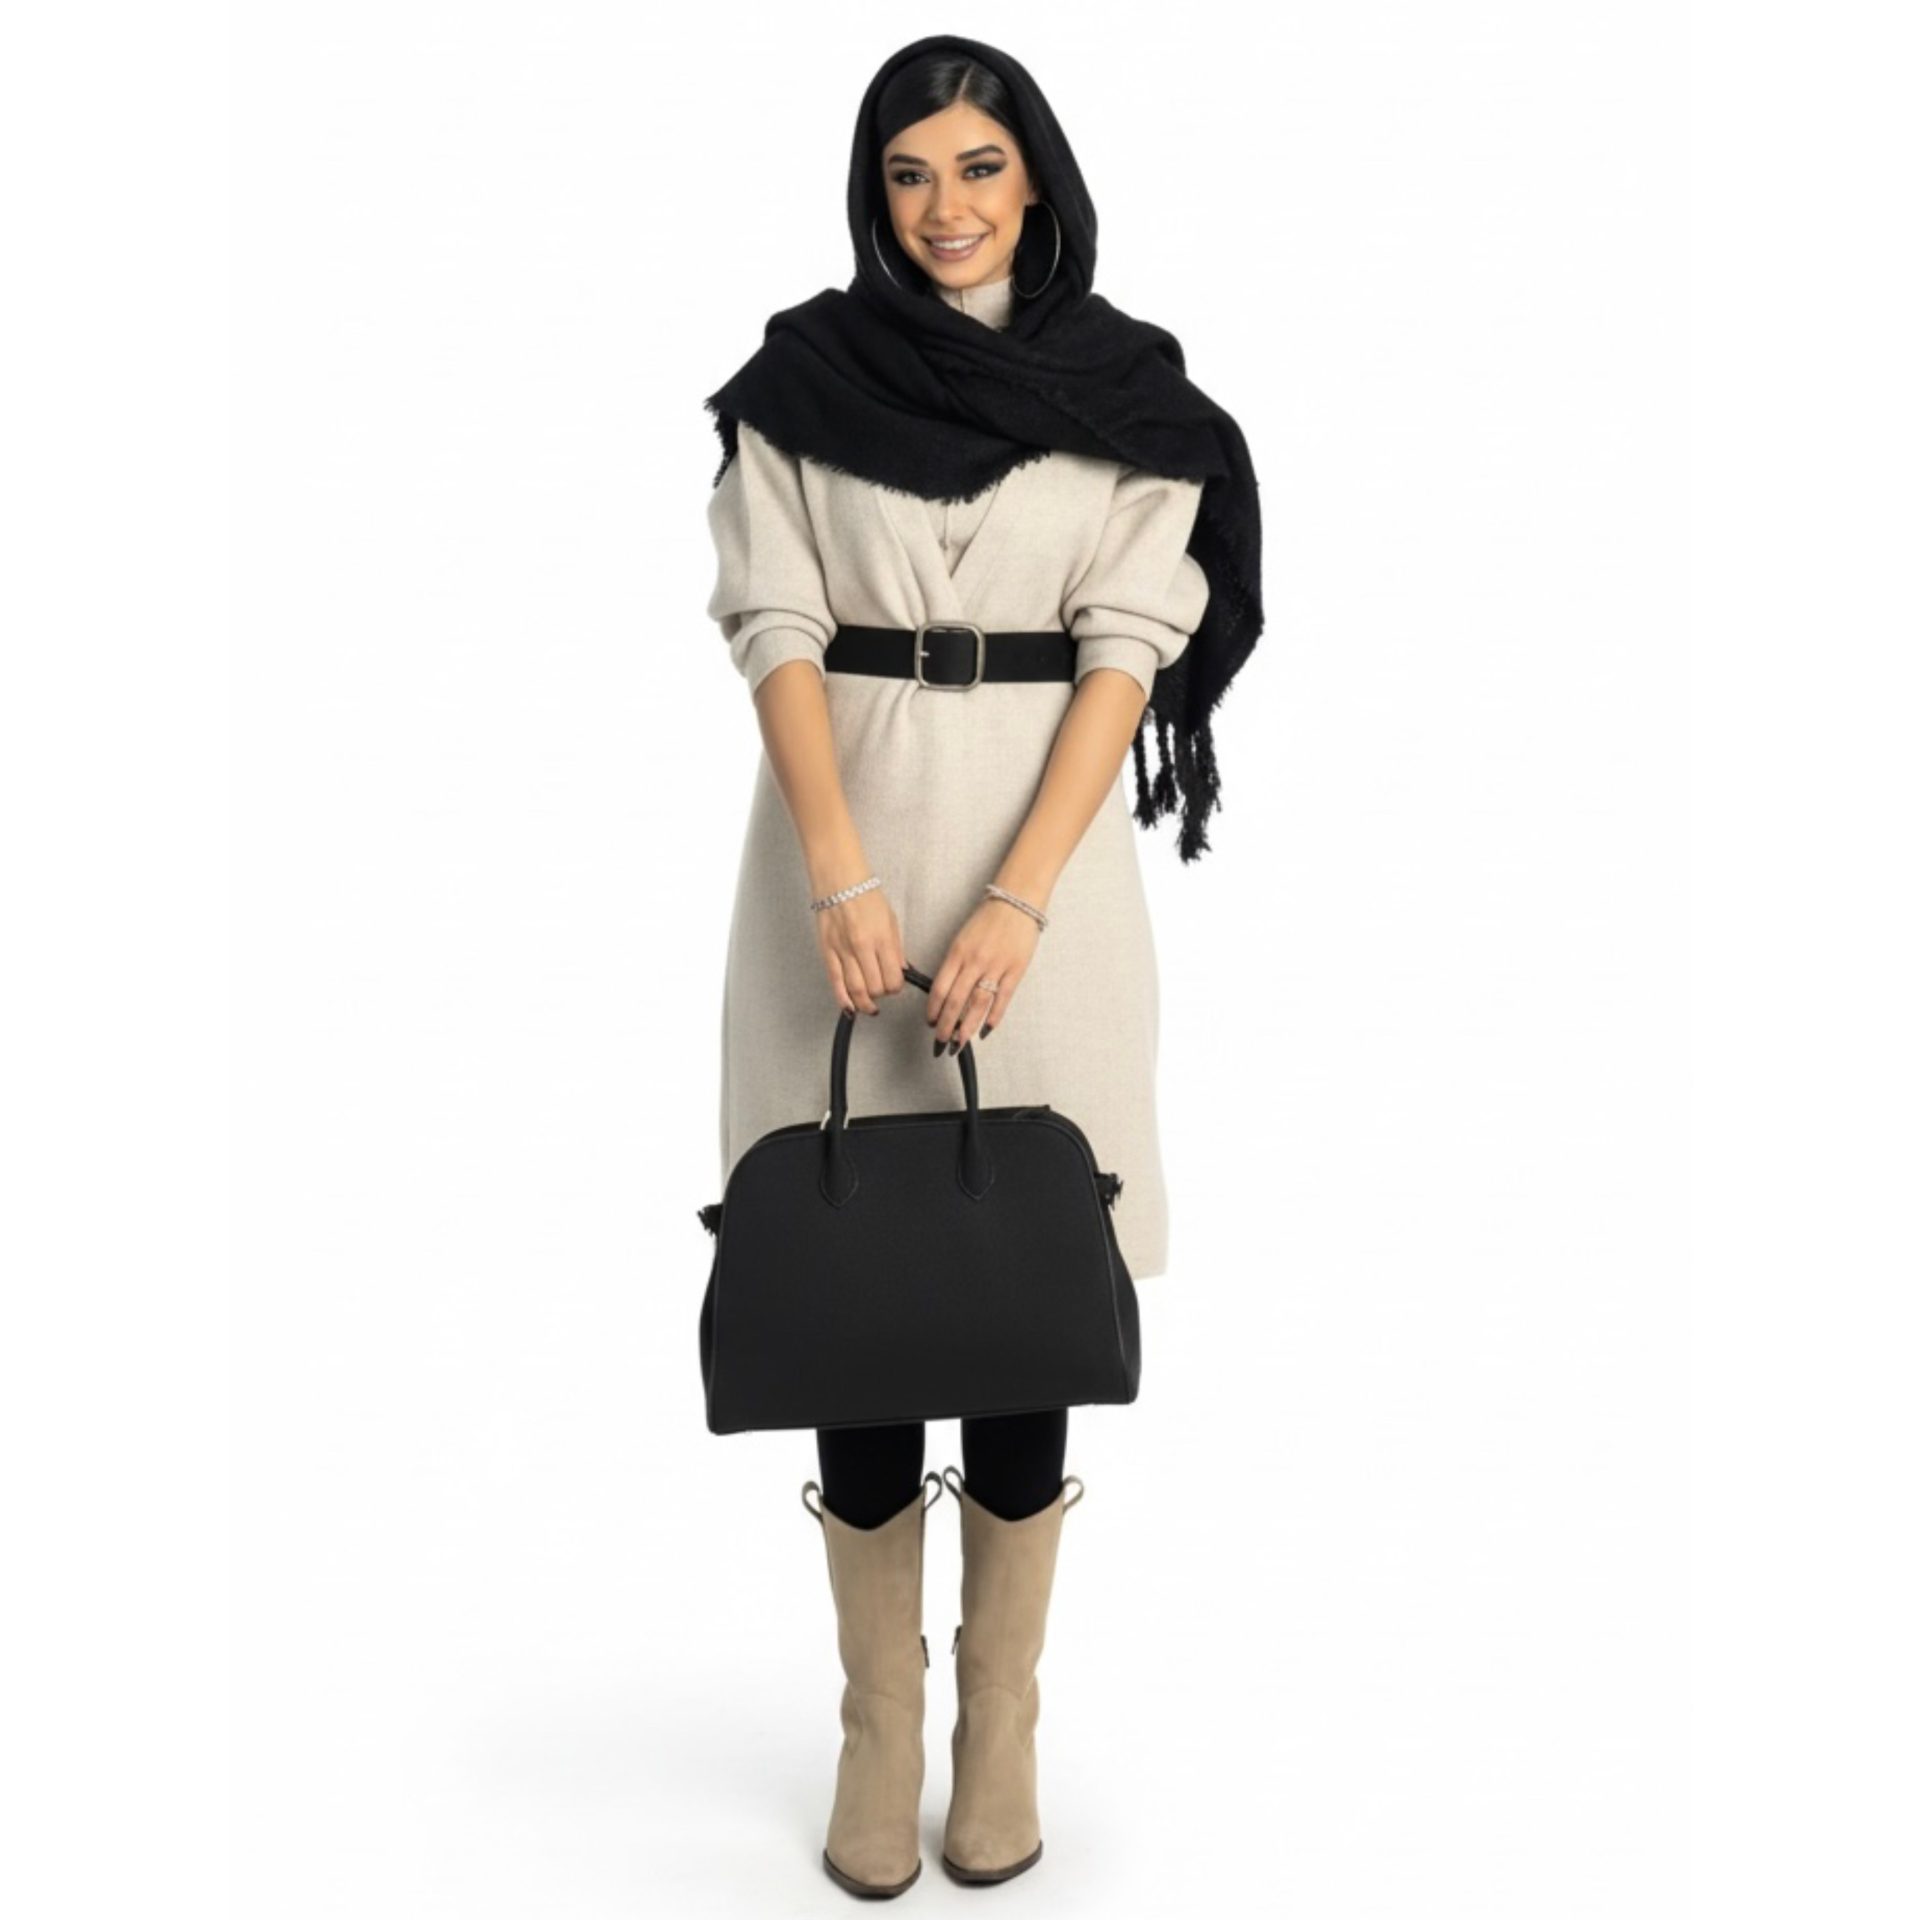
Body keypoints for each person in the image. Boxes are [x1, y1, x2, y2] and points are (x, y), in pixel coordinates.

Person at [701, 34, 1264, 1898]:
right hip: (837, 872)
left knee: (1024, 1279)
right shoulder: (801, 381)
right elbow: (776, 619)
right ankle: (880, 1723)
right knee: (854, 1280)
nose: (944, 208)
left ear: (1039, 181)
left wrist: (1021, 899)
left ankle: (999, 1721)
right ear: (874, 194)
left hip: (1052, 882)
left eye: (978, 167)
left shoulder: (1131, 397)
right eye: (909, 173)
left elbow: (1126, 650)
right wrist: (836, 872)